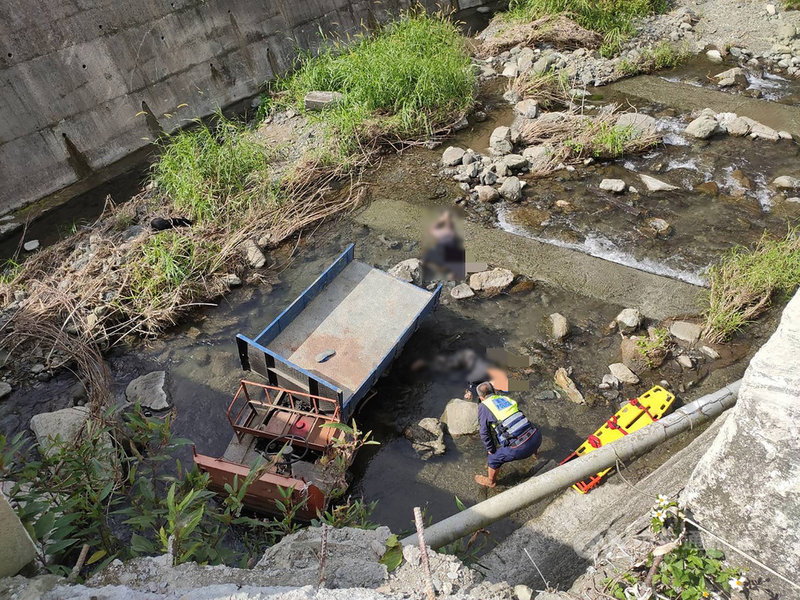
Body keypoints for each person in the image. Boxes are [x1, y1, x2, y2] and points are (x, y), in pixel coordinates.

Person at [475, 382, 541, 488]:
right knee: (524, 427)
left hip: (520, 449)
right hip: (537, 437)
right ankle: (536, 455)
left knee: (493, 458)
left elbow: (484, 432)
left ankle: (491, 482)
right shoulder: (505, 399)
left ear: (481, 398)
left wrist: (490, 449)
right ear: (494, 391)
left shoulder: (483, 406)